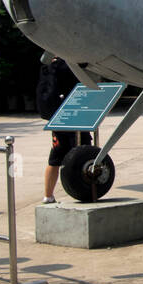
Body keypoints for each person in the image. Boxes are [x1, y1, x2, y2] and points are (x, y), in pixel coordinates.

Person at [36, 56, 91, 203]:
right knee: (85, 153)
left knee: (55, 157)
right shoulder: (68, 65)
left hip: (58, 118)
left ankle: (48, 195)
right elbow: (86, 62)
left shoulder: (47, 67)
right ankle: (86, 190)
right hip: (74, 116)